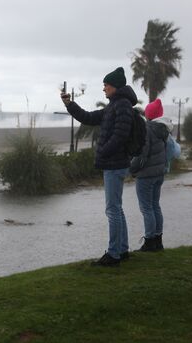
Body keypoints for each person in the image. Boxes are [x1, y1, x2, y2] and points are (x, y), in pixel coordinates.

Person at [61, 67, 137, 267]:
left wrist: (103, 151)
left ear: (114, 87)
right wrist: (70, 104)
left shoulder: (121, 106)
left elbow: (120, 135)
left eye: (106, 85)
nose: (103, 89)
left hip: (115, 164)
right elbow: (89, 117)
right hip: (115, 163)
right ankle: (122, 249)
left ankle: (113, 254)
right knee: (117, 209)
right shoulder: (115, 105)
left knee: (112, 209)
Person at [130, 98, 172, 251]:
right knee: (155, 206)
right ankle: (158, 240)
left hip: (146, 175)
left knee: (146, 208)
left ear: (149, 115)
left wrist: (132, 168)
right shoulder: (163, 129)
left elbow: (142, 154)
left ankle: (149, 242)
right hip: (159, 174)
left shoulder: (147, 129)